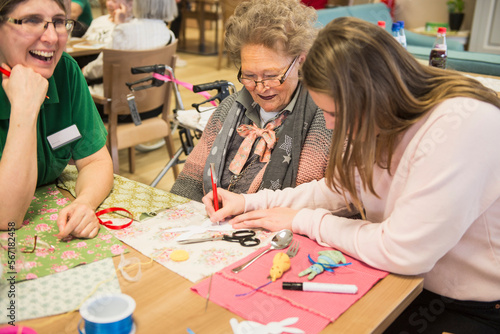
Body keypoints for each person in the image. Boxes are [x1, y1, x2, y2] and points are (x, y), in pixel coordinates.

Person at [203, 17, 500, 333]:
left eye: (335, 114)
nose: (330, 125)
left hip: (471, 307)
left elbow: (403, 251)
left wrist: (304, 221)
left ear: (374, 94)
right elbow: (337, 191)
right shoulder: (377, 117)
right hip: (403, 284)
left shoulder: (463, 125)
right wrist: (248, 202)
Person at [170, 0, 333, 202]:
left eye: (272, 75)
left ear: (301, 60)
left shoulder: (327, 121)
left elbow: (340, 206)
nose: (260, 87)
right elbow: (188, 184)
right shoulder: (229, 108)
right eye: (249, 75)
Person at [0, 0, 114, 239]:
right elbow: (6, 217)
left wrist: (85, 202)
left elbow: (96, 160)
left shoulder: (65, 71)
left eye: (60, 22)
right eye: (32, 20)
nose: (52, 37)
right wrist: (24, 109)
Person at [84, 0, 177, 99]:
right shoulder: (169, 35)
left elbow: (100, 67)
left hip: (116, 101)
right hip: (155, 100)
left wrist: (84, 70)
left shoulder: (124, 31)